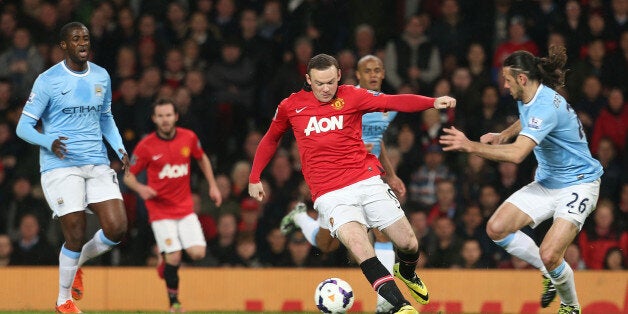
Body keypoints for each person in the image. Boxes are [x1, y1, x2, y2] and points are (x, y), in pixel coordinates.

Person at [249, 53, 456, 314]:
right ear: (307, 80)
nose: (325, 89)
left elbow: (394, 101)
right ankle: (399, 306)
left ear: (339, 76)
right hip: (330, 194)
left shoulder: (352, 96)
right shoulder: (291, 106)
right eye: (318, 83)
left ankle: (406, 272)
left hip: (366, 181)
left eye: (330, 82)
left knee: (408, 243)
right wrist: (254, 177)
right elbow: (270, 139)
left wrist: (432, 101)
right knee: (359, 245)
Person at [439, 45, 602, 314]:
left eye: (507, 79)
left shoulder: (546, 106)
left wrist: (470, 146)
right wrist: (504, 134)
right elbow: (527, 119)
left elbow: (517, 156)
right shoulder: (530, 96)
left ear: (522, 79)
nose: (504, 85)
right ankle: (549, 274)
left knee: (550, 254)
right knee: (496, 228)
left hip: (580, 184)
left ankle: (571, 307)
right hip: (549, 182)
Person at [15, 22, 129, 313]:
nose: (82, 43)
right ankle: (63, 299)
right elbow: (23, 127)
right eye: (76, 38)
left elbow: (106, 117)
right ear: (64, 45)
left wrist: (119, 147)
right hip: (61, 166)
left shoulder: (101, 75)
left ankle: (77, 264)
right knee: (75, 233)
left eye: (86, 38)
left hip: (97, 161)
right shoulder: (48, 80)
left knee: (117, 228)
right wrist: (47, 140)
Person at [280, 55, 407, 313]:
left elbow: (377, 141)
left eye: (377, 70)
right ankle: (301, 217)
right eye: (366, 71)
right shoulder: (347, 100)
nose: (373, 75)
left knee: (380, 232)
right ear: (355, 76)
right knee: (327, 244)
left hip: (366, 177)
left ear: (384, 74)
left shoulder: (384, 108)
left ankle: (386, 304)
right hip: (336, 185)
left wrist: (391, 174)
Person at [123, 98, 222, 313]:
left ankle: (165, 263)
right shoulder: (146, 145)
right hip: (159, 211)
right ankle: (174, 305)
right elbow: (128, 175)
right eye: (160, 116)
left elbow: (202, 158)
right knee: (175, 255)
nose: (165, 120)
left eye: (168, 115)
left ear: (176, 116)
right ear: (154, 119)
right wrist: (141, 190)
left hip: (184, 208)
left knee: (197, 253)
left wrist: (213, 186)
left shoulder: (189, 138)